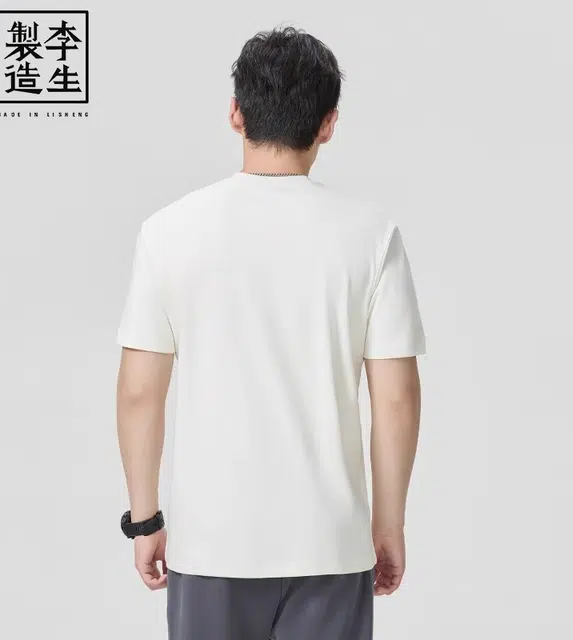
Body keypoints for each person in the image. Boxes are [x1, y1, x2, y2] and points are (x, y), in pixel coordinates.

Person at [116, 26, 426, 640]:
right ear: (328, 124)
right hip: (331, 544)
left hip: (211, 545)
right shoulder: (372, 235)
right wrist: (388, 524)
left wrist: (145, 520)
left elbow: (138, 392)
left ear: (236, 113)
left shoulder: (169, 231)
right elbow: (396, 398)